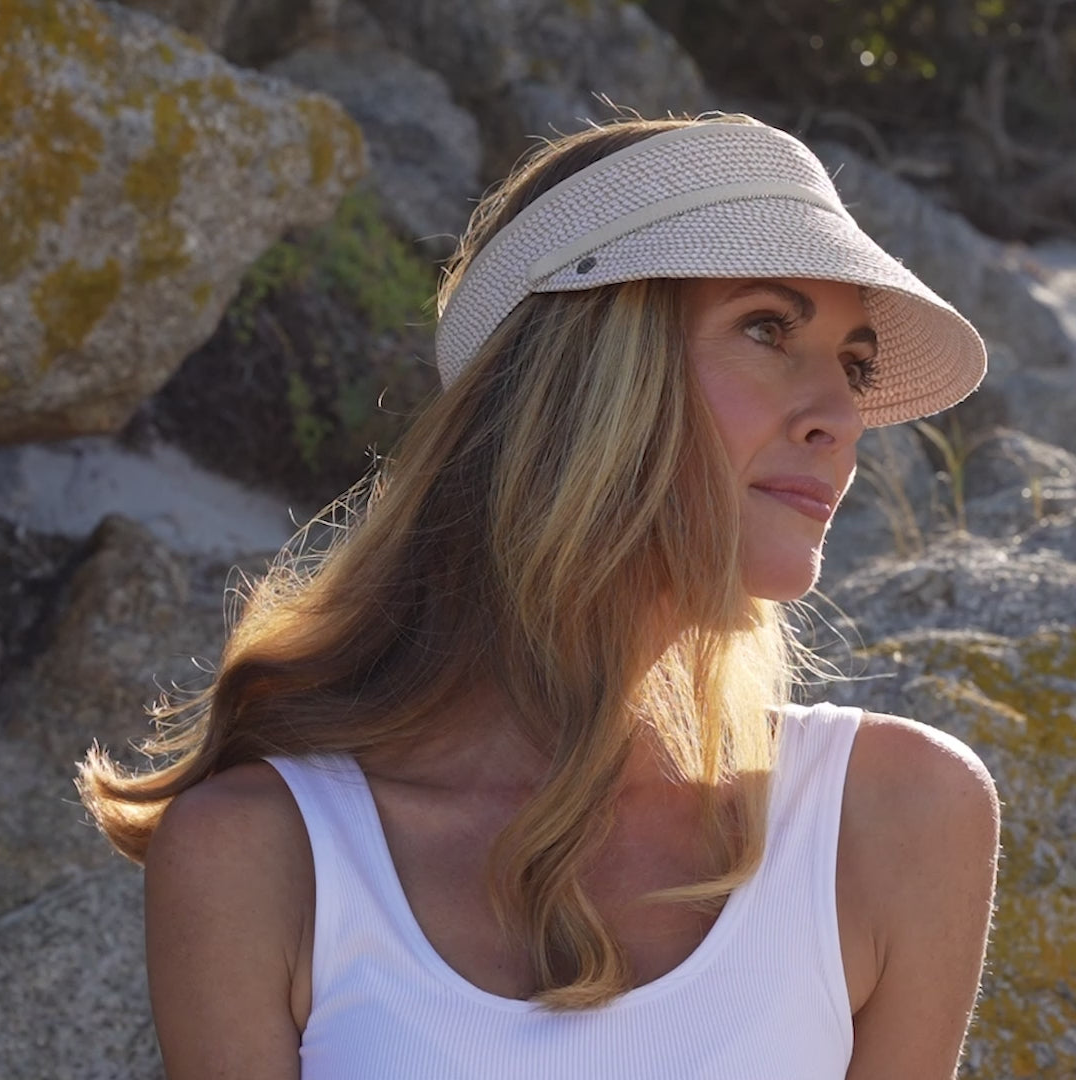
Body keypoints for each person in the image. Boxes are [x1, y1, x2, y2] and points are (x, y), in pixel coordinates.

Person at [78, 114, 1000, 1079]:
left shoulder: (896, 816)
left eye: (854, 365)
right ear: (584, 372)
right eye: (768, 330)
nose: (841, 417)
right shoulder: (263, 857)